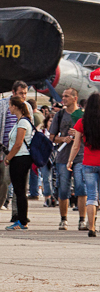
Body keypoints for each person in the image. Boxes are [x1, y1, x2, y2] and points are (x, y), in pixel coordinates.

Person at [65, 92, 100, 238]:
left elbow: (76, 145)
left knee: (91, 196)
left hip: (89, 162)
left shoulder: (82, 122)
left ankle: (91, 227)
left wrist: (70, 160)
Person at [50, 87, 85, 231]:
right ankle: (63, 219)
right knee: (63, 189)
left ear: (75, 98)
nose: (63, 99)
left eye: (66, 96)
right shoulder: (60, 115)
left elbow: (91, 134)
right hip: (63, 156)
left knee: (81, 187)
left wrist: (79, 133)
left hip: (80, 156)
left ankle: (82, 219)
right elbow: (52, 137)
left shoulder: (83, 115)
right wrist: (63, 138)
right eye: (62, 96)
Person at [2, 96, 34, 230]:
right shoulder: (19, 122)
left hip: (20, 158)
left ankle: (22, 220)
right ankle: (22, 219)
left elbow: (18, 143)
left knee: (19, 190)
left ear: (15, 106)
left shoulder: (22, 123)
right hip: (19, 157)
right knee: (18, 190)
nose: (9, 108)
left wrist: (8, 157)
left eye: (10, 105)